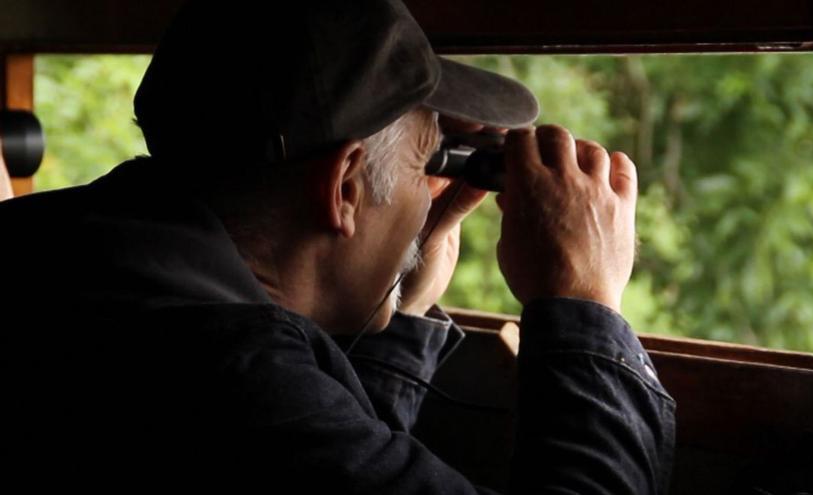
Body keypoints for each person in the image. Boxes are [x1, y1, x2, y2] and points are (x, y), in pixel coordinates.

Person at [0, 0, 675, 492]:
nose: (428, 194)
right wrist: (584, 299)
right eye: (425, 159)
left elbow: (336, 462)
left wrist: (402, 304)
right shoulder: (230, 378)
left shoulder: (67, 260)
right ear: (346, 186)